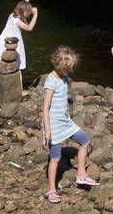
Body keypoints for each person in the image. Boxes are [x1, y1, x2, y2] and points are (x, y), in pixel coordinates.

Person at [43, 46, 99, 203]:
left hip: (65, 121)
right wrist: (47, 130)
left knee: (85, 141)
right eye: (68, 69)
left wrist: (67, 113)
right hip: (53, 124)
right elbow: (45, 108)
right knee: (55, 158)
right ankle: (51, 190)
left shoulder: (64, 78)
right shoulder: (51, 81)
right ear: (59, 66)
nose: (70, 72)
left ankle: (81, 174)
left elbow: (63, 99)